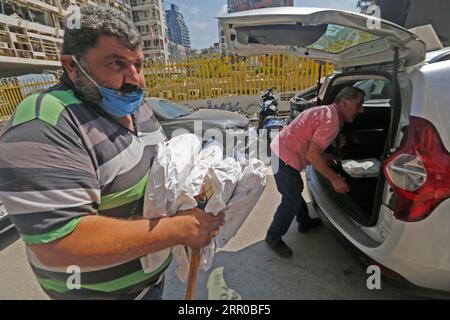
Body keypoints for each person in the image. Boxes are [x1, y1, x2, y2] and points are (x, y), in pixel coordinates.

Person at [0, 5, 224, 300]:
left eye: (138, 65)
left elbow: (155, 175)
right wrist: (179, 229)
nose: (135, 79)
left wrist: (191, 200)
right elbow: (58, 243)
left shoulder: (136, 105)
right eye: (117, 64)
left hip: (150, 284)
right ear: (71, 65)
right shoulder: (46, 120)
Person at [265, 87, 365, 258]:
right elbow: (312, 154)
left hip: (279, 150)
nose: (361, 110)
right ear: (344, 103)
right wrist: (335, 179)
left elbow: (310, 145)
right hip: (283, 156)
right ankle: (273, 237)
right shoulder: (331, 121)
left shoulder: (325, 111)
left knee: (294, 191)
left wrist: (324, 156)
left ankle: (304, 222)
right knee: (291, 199)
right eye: (359, 104)